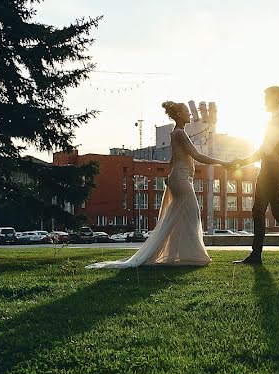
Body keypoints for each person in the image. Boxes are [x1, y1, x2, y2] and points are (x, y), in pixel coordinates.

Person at [86, 101, 227, 269]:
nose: (189, 115)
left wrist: (169, 176)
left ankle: (180, 255)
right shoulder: (180, 133)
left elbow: (173, 160)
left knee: (179, 218)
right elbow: (196, 155)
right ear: (180, 115)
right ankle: (194, 255)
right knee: (192, 214)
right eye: (186, 112)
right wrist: (222, 163)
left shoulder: (175, 134)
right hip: (181, 179)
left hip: (180, 178)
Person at [228, 86, 279, 265]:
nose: (264, 101)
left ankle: (264, 255)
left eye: (267, 97)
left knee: (266, 211)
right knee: (271, 211)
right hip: (272, 169)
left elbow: (266, 149)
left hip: (271, 171)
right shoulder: (278, 120)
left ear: (277, 98)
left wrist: (241, 162)